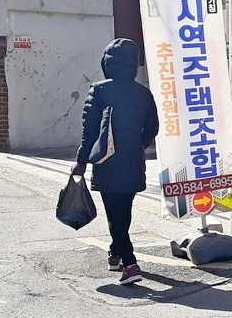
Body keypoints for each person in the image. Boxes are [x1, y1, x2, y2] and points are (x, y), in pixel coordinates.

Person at [71, 38, 159, 285]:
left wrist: (81, 161)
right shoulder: (144, 93)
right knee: (124, 211)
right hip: (133, 163)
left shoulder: (99, 90)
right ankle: (115, 252)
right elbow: (153, 128)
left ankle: (130, 264)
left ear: (106, 63)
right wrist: (136, 146)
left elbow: (89, 131)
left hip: (106, 162)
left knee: (114, 214)